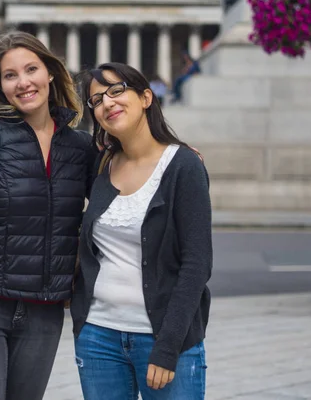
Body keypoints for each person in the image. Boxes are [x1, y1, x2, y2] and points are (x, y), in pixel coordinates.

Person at [0, 30, 96, 400]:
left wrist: (174, 156)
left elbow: (124, 188)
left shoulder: (80, 148)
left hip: (44, 312)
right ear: (0, 86)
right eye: (11, 75)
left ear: (51, 74)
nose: (23, 82)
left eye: (31, 69)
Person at [71, 62, 212, 399]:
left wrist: (168, 347)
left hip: (164, 337)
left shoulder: (183, 166)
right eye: (96, 100)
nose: (107, 102)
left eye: (117, 90)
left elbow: (197, 265)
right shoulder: (101, 164)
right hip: (98, 336)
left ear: (146, 97)